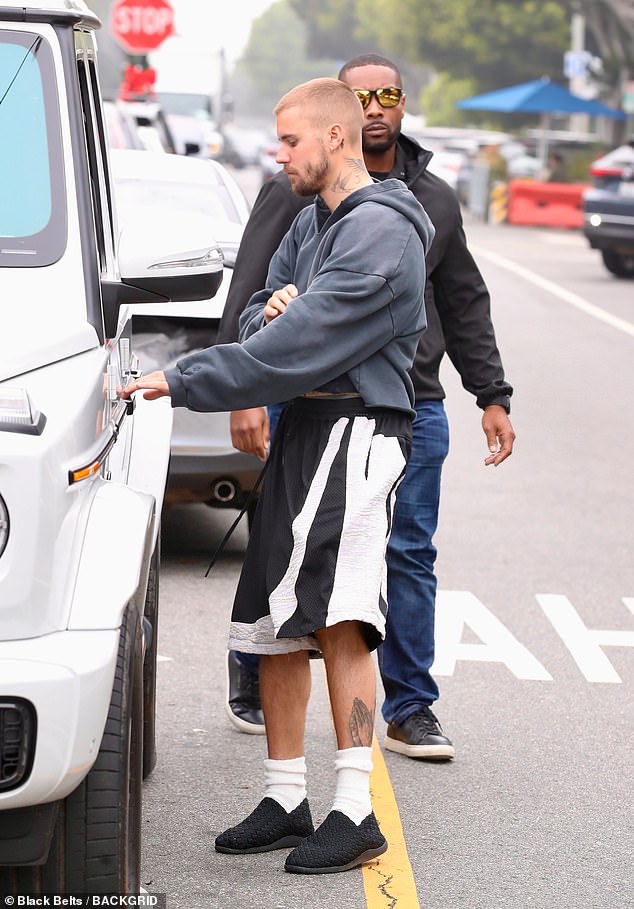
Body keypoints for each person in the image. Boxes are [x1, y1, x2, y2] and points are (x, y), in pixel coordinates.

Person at [123, 77, 435, 874]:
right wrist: (269, 311)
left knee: (341, 617)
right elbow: (262, 310)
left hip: (357, 429)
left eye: (291, 140)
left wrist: (183, 378)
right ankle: (285, 795)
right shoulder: (310, 219)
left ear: (335, 136)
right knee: (274, 620)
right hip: (304, 427)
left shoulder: (385, 229)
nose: (280, 154)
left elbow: (303, 339)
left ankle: (356, 809)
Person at [219, 54, 516, 760]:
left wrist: (492, 394)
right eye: (361, 97)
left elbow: (463, 299)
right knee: (285, 550)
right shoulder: (295, 187)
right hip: (307, 402)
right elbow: (253, 288)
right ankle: (254, 676)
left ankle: (411, 707)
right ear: (339, 118)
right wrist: (243, 392)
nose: (375, 107)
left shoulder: (433, 199)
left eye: (388, 94)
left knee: (408, 555)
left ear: (402, 104)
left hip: (410, 404)